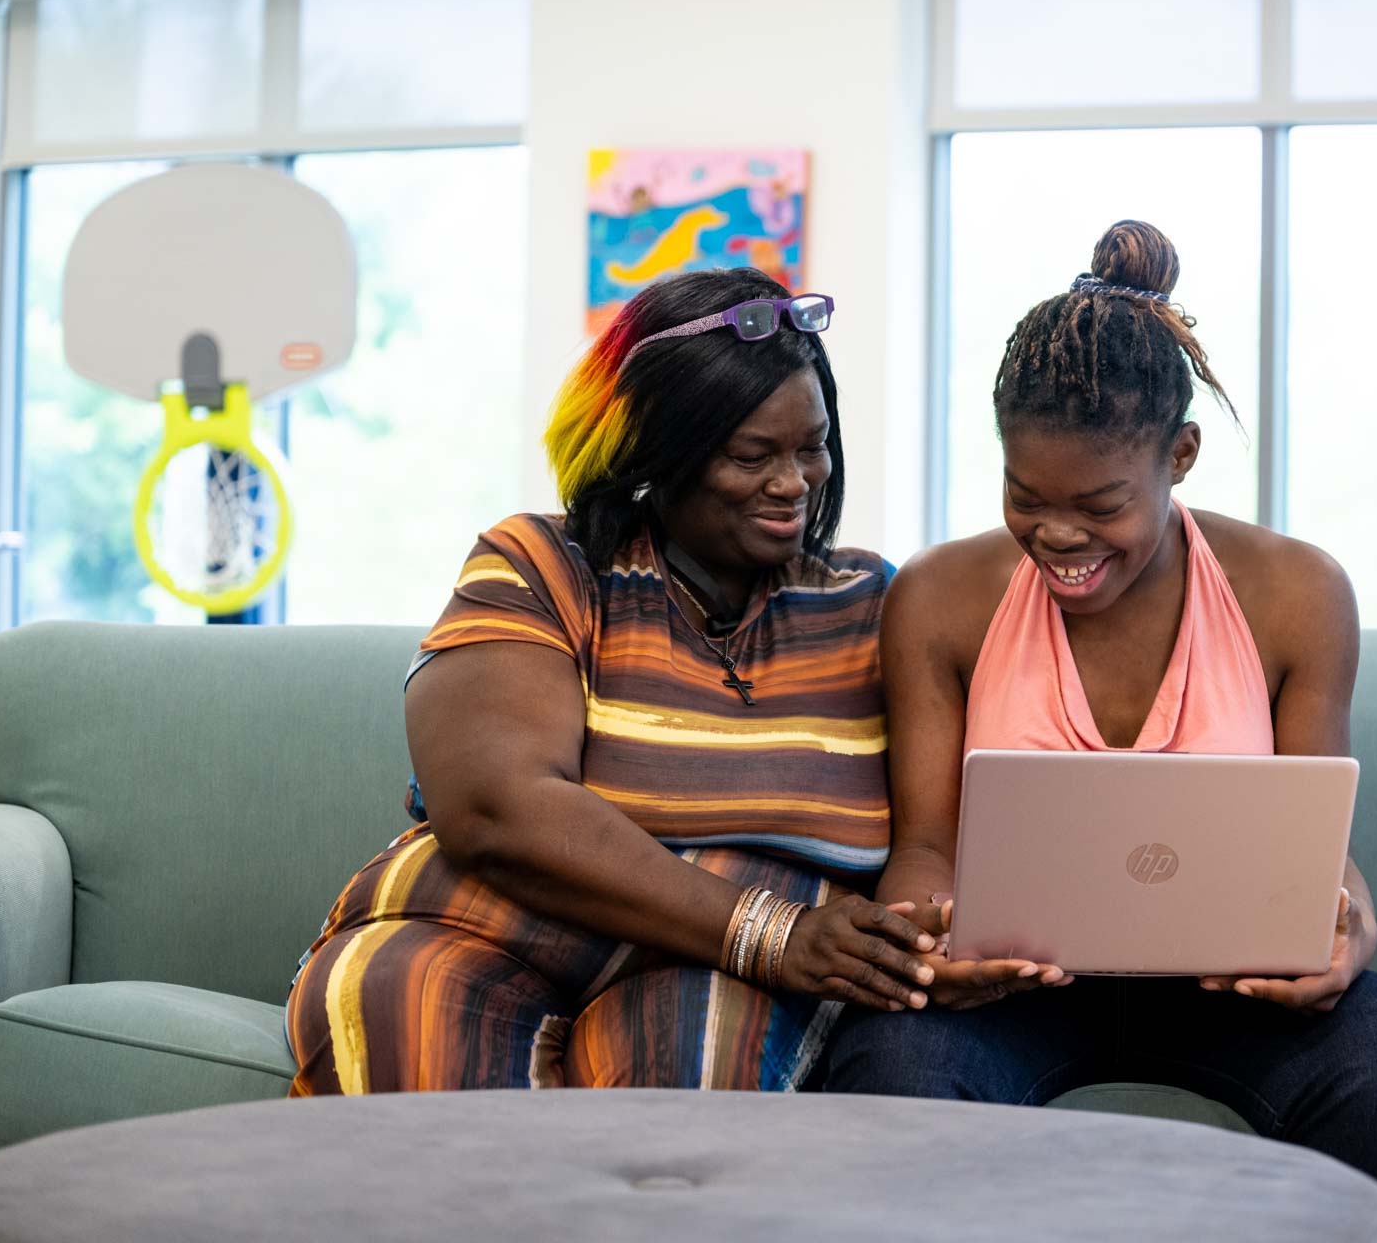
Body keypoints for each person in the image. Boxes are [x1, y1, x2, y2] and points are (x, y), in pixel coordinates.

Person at [824, 222, 1377, 1240]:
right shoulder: (941, 597)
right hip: (1013, 993)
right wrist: (932, 943)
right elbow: (926, 849)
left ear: (1182, 454)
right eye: (1026, 497)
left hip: (1227, 990)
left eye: (1101, 502)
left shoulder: (1295, 593)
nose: (1059, 535)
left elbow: (1319, 849)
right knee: (886, 1061)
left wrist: (1347, 927)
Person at [286, 269, 940, 1095]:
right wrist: (769, 933)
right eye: (751, 456)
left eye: (812, 446)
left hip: (721, 972)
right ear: (655, 456)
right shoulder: (543, 563)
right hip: (478, 924)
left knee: (683, 1096)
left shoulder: (874, 605)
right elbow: (496, 806)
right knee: (404, 1022)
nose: (794, 483)